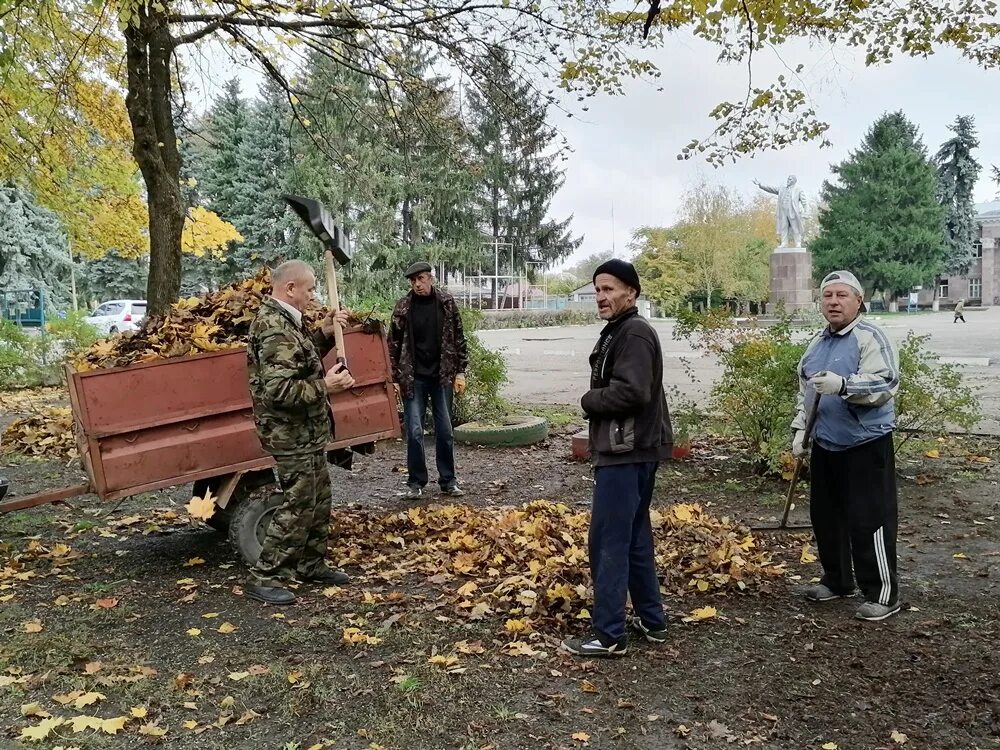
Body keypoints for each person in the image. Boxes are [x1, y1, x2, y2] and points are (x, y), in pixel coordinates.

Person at [561, 259, 673, 658]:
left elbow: (633, 392)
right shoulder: (622, 330)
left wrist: (589, 401)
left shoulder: (634, 333)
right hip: (634, 449)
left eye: (609, 289)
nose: (601, 297)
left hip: (626, 451)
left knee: (607, 540)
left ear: (632, 292)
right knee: (634, 537)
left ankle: (609, 635)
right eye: (597, 290)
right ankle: (652, 620)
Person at [244, 259, 356, 606]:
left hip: (306, 432)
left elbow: (299, 359)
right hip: (289, 433)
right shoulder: (273, 327)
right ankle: (265, 575)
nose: (312, 295)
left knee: (318, 498)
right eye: (308, 289)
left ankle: (310, 564)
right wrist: (326, 386)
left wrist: (323, 332)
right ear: (289, 288)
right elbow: (278, 392)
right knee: (299, 503)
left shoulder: (285, 322)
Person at [792, 270, 901, 622]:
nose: (834, 302)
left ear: (858, 300)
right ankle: (837, 580)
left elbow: (886, 382)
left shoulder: (871, 337)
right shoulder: (817, 344)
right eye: (828, 296)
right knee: (827, 518)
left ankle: (882, 593)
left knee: (870, 519)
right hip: (827, 444)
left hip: (866, 444)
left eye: (842, 295)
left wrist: (844, 385)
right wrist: (800, 432)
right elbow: (805, 393)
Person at [388, 261, 469, 499]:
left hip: (441, 376)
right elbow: (391, 344)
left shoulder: (445, 303)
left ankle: (448, 480)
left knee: (445, 430)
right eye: (413, 281)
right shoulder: (403, 307)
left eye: (421, 279)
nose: (417, 284)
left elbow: (459, 337)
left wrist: (461, 371)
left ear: (430, 279)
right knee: (414, 431)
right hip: (413, 378)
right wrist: (393, 377)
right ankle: (416, 482)